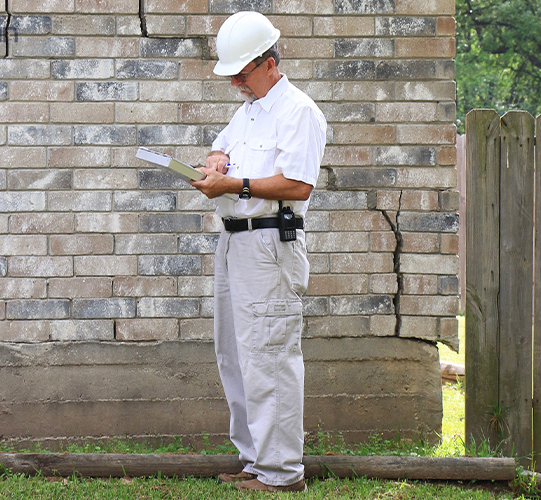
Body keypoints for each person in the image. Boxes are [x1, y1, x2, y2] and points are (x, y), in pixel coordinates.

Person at [188, 10, 327, 494]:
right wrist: (214, 160)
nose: (235, 84)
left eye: (241, 75)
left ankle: (282, 473)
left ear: (269, 63)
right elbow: (219, 151)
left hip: (270, 242)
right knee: (236, 355)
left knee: (269, 355)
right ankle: (256, 461)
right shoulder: (248, 111)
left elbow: (298, 184)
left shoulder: (299, 112)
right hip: (235, 241)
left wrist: (235, 182)